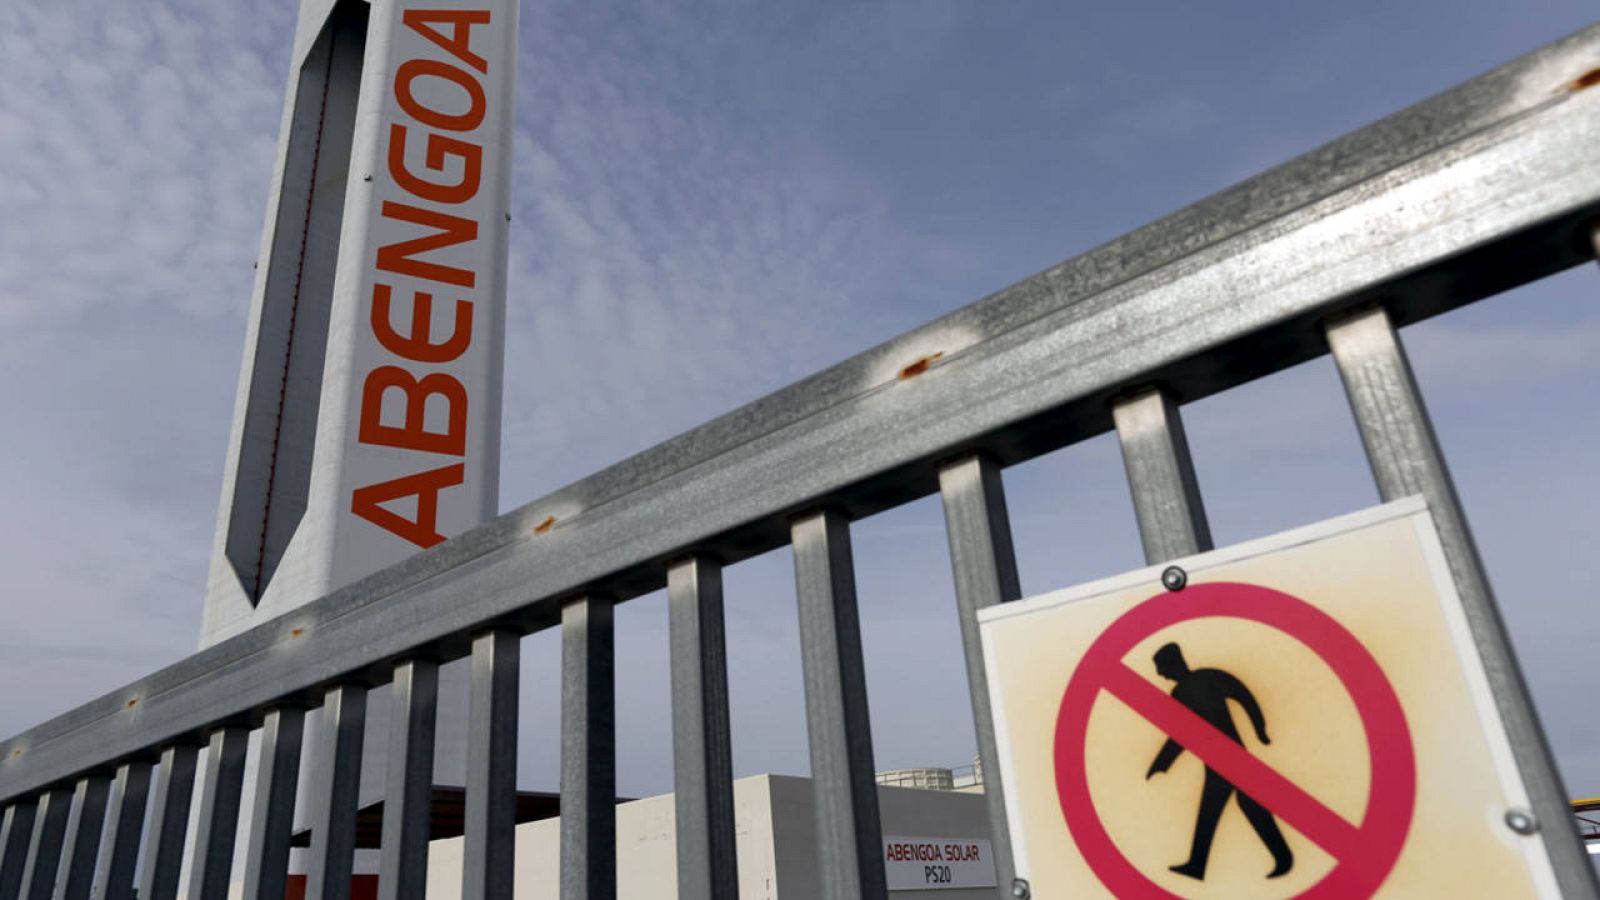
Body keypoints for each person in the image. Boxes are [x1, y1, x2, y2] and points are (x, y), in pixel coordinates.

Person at [1145, 641, 1294, 881]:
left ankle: (1281, 859)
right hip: (1225, 760)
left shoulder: (1185, 691)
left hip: (1226, 761)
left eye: (1160, 667)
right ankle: (1280, 859)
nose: (1159, 673)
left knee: (1228, 808)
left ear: (1173, 664)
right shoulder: (1207, 677)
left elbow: (1182, 734)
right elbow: (1245, 696)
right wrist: (1259, 727)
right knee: (1240, 806)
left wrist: (1162, 763)